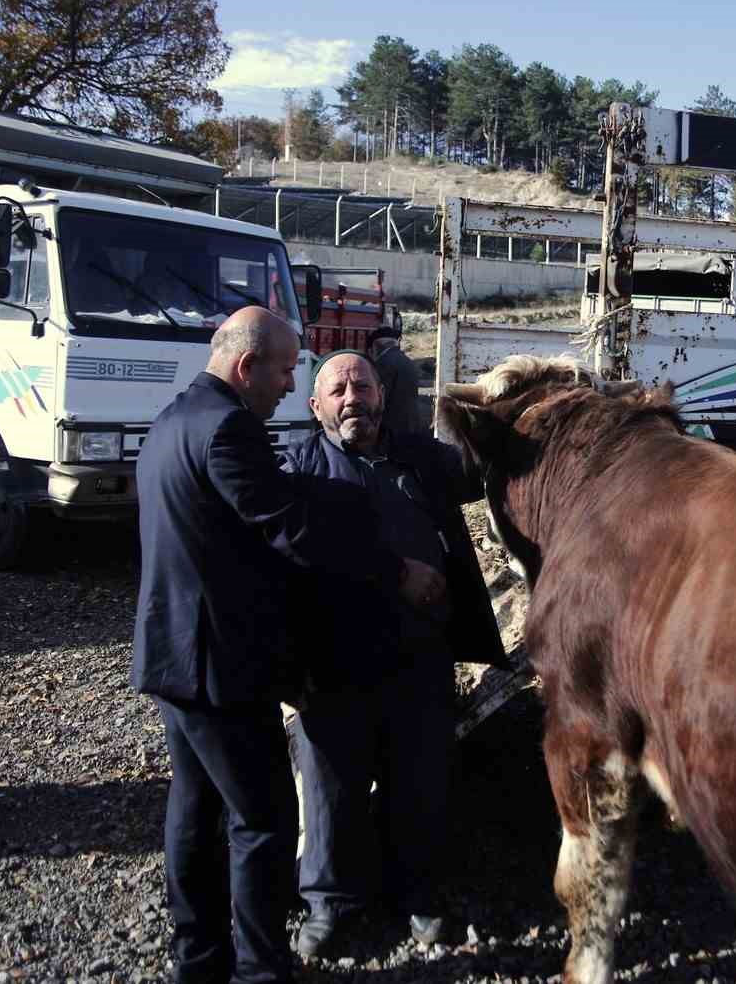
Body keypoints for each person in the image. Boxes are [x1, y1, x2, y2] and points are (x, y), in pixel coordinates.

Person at [132, 307, 443, 984]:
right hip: (221, 667)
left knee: (194, 811)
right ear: (247, 366)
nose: (284, 383)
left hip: (170, 655)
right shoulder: (228, 430)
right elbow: (289, 528)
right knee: (264, 821)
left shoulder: (169, 422)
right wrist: (395, 568)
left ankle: (200, 961)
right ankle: (261, 969)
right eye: (282, 369)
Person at [285, 350, 505, 959]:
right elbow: (289, 561)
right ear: (315, 406)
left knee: (421, 779)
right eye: (338, 389)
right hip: (335, 664)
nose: (352, 396)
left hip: (419, 659)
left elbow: (487, 462)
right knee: (330, 788)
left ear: (384, 395)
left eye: (362, 385)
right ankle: (329, 902)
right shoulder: (298, 471)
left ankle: (419, 896)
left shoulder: (420, 460)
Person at [364, 324, 425, 435]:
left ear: (375, 347)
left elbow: (380, 399)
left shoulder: (384, 363)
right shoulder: (406, 360)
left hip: (392, 427)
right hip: (411, 424)